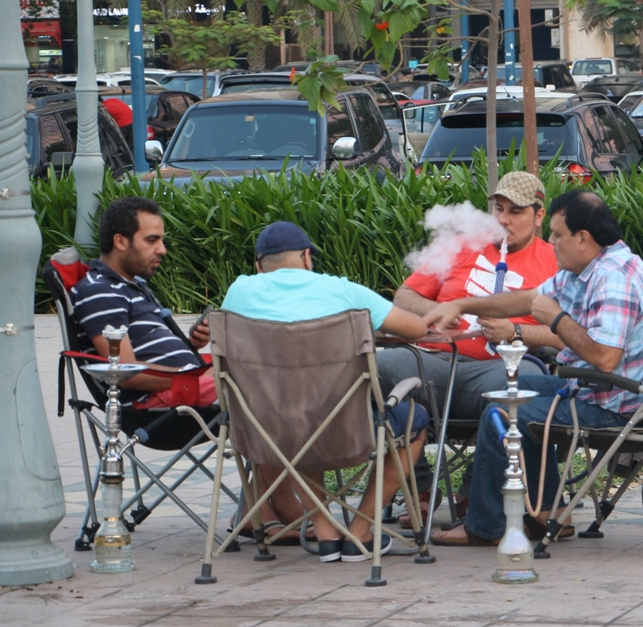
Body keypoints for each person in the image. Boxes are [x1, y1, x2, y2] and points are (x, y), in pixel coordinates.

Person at [425, 190, 643, 546]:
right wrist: (461, 304)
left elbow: (605, 358)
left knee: (502, 411)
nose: (551, 242)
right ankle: (550, 514)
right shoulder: (588, 267)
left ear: (583, 239)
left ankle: (485, 527)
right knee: (515, 391)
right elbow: (527, 298)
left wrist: (556, 320)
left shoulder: (614, 277)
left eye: (557, 235)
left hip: (618, 405)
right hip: (598, 390)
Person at [220, 221, 430, 563]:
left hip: (263, 430)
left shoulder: (238, 292)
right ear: (306, 257)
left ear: (258, 266)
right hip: (343, 427)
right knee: (414, 421)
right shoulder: (343, 292)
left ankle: (326, 530)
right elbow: (416, 328)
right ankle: (361, 529)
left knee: (299, 413)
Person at [375, 171, 560, 524]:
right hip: (435, 362)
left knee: (526, 382)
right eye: (498, 208)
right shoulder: (464, 246)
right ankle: (422, 487)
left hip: (495, 371)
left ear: (539, 215)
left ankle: (473, 492)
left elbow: (565, 336)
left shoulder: (553, 263)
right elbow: (404, 296)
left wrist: (515, 332)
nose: (503, 219)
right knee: (377, 367)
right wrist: (438, 311)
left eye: (516, 212)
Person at [70, 196, 216, 410]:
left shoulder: (131, 285)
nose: (162, 250)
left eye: (161, 240)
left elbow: (149, 348)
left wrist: (191, 345)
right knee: (257, 377)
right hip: (155, 403)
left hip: (183, 388)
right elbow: (124, 371)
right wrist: (193, 375)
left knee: (259, 365)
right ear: (120, 241)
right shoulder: (100, 291)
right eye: (151, 240)